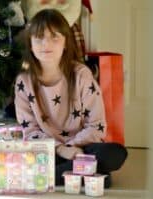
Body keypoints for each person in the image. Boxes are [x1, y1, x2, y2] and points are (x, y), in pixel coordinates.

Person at [14, 8, 127, 188]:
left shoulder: (81, 75)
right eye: (39, 38)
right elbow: (30, 131)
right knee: (23, 156)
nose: (46, 44)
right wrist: (60, 149)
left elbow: (96, 125)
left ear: (66, 42)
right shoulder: (24, 82)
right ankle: (90, 173)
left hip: (83, 147)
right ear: (30, 43)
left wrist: (73, 149)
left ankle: (53, 175)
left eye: (54, 37)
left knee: (116, 153)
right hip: (47, 149)